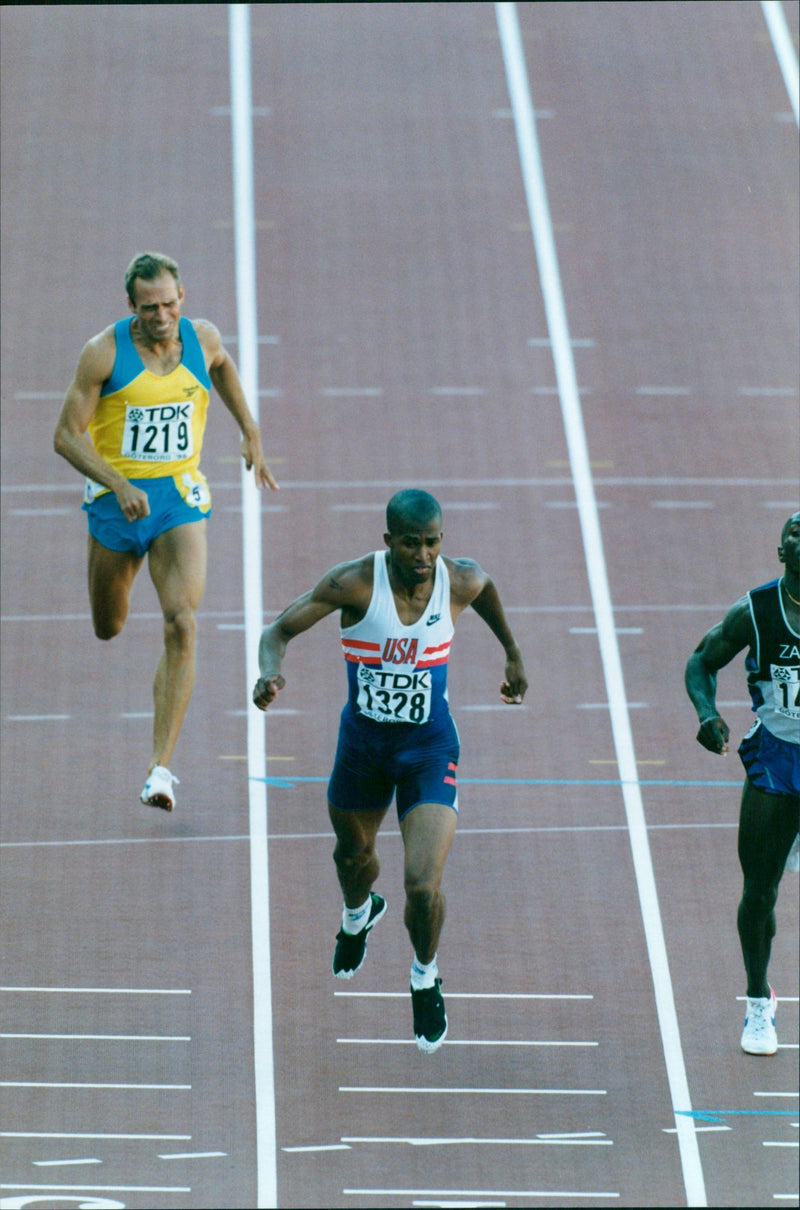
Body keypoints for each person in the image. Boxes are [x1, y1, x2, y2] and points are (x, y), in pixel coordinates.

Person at [252, 489, 527, 1052]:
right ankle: (358, 913)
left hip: (428, 750)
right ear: (389, 542)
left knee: (422, 885)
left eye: (432, 543)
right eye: (411, 543)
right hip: (363, 748)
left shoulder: (461, 579)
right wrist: (269, 674)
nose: (423, 555)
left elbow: (487, 591)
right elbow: (276, 630)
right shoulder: (354, 582)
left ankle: (424, 977)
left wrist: (513, 654)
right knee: (353, 860)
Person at [54, 251, 279, 811]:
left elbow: (223, 366)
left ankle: (160, 769)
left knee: (183, 622)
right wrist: (115, 481)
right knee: (109, 626)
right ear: (131, 305)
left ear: (184, 298)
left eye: (170, 304)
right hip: (115, 502)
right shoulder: (103, 352)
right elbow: (65, 435)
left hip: (178, 500)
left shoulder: (200, 340)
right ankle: (115, 565)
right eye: (150, 307)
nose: (161, 316)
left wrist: (249, 429)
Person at [685, 512, 800, 1056]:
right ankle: (759, 1002)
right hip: (776, 761)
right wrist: (707, 713)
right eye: (796, 533)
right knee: (759, 893)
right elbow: (700, 661)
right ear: (782, 550)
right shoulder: (755, 611)